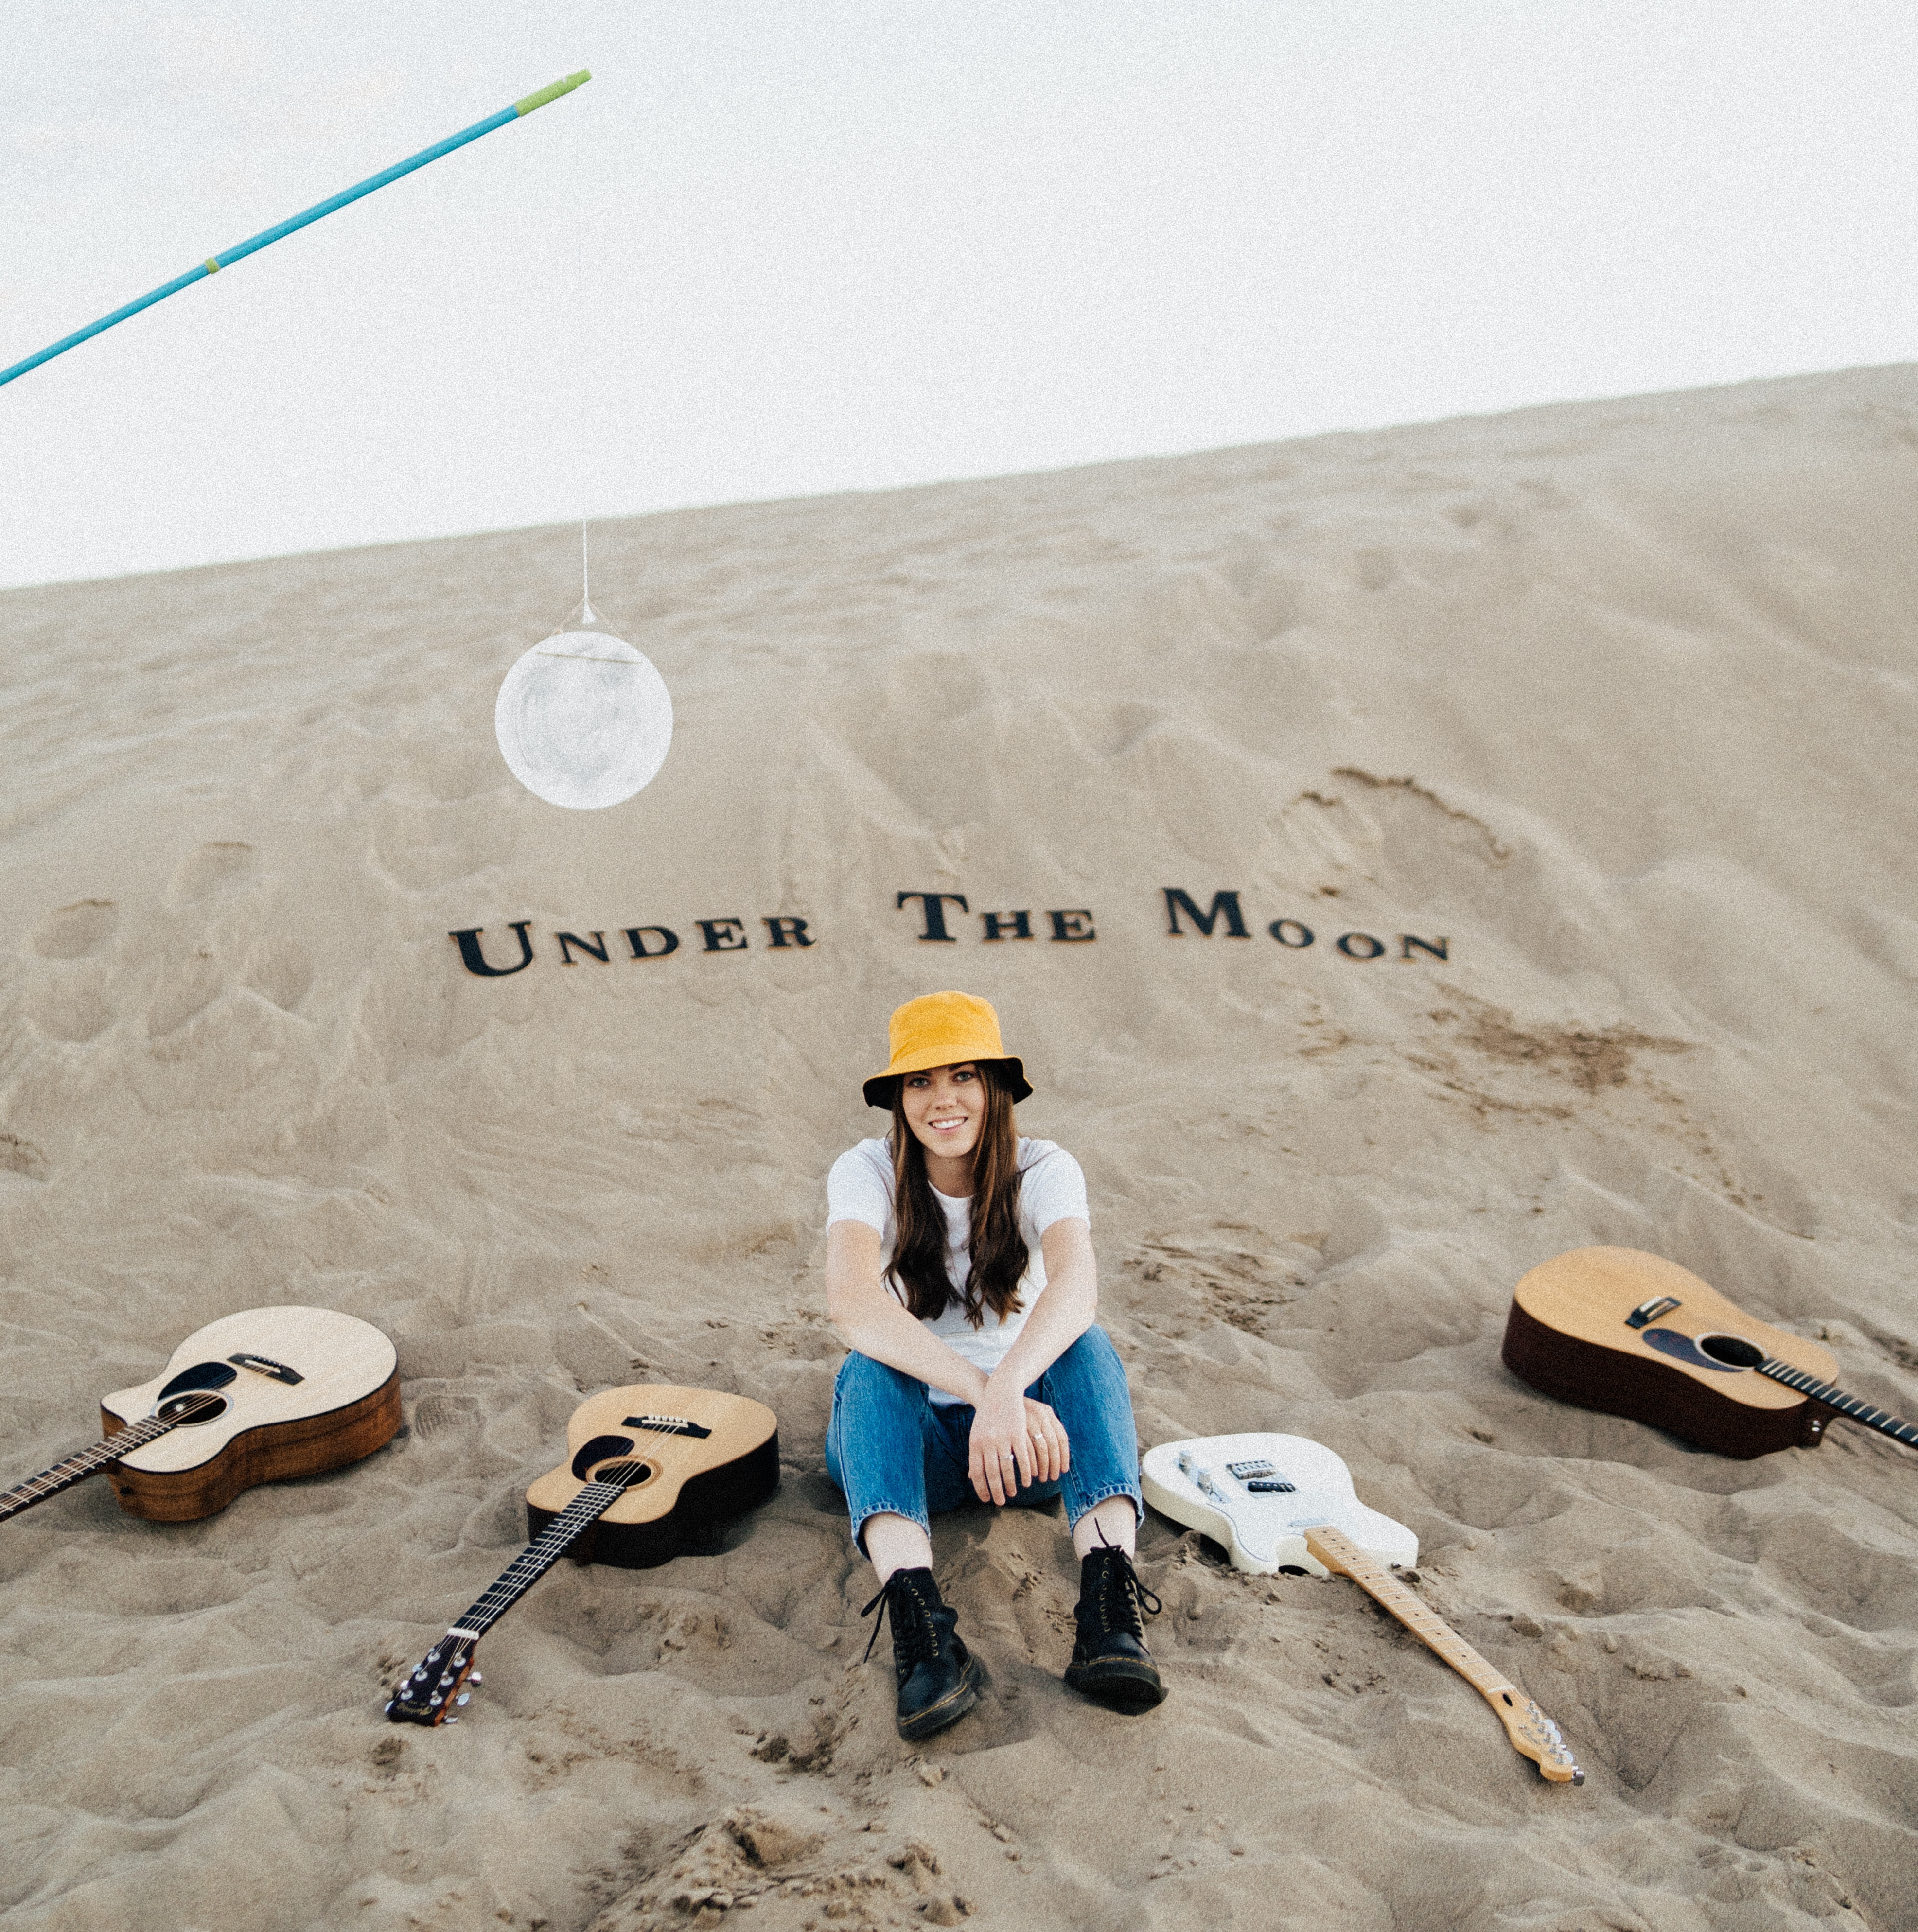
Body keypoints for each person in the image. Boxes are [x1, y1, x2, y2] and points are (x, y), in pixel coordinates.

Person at [824, 990, 1164, 1740]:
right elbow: (850, 1301)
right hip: (907, 1451)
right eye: (919, 1081)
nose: (941, 1099)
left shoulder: (1044, 1166)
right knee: (866, 1368)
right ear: (898, 1097)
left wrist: (1009, 1392)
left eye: (963, 1076)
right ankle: (923, 1633)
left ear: (996, 1088)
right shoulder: (866, 1169)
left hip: (1026, 1450)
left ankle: (1108, 1613)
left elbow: (1077, 1287)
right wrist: (985, 1390)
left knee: (1088, 1343)